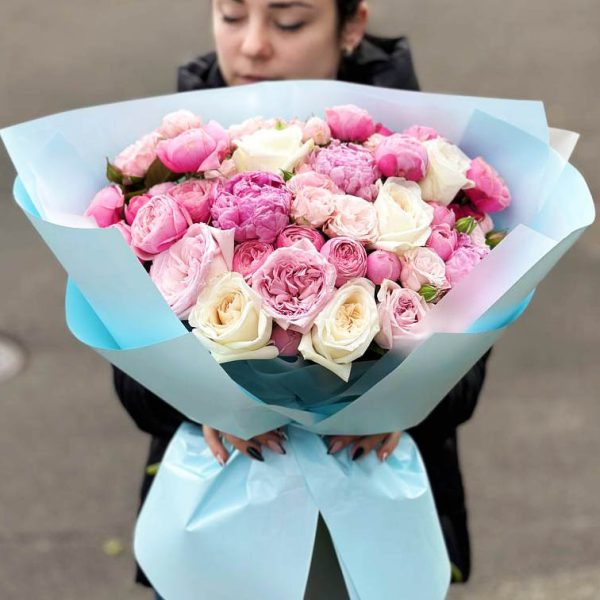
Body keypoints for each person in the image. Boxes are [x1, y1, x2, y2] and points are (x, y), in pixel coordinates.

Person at [113, 0, 492, 596]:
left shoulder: (429, 166)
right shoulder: (163, 169)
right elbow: (132, 383)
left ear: (352, 25)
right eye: (231, 14)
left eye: (288, 21)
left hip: (378, 515)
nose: (253, 45)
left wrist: (397, 403)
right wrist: (200, 401)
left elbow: (464, 382)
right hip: (214, 517)